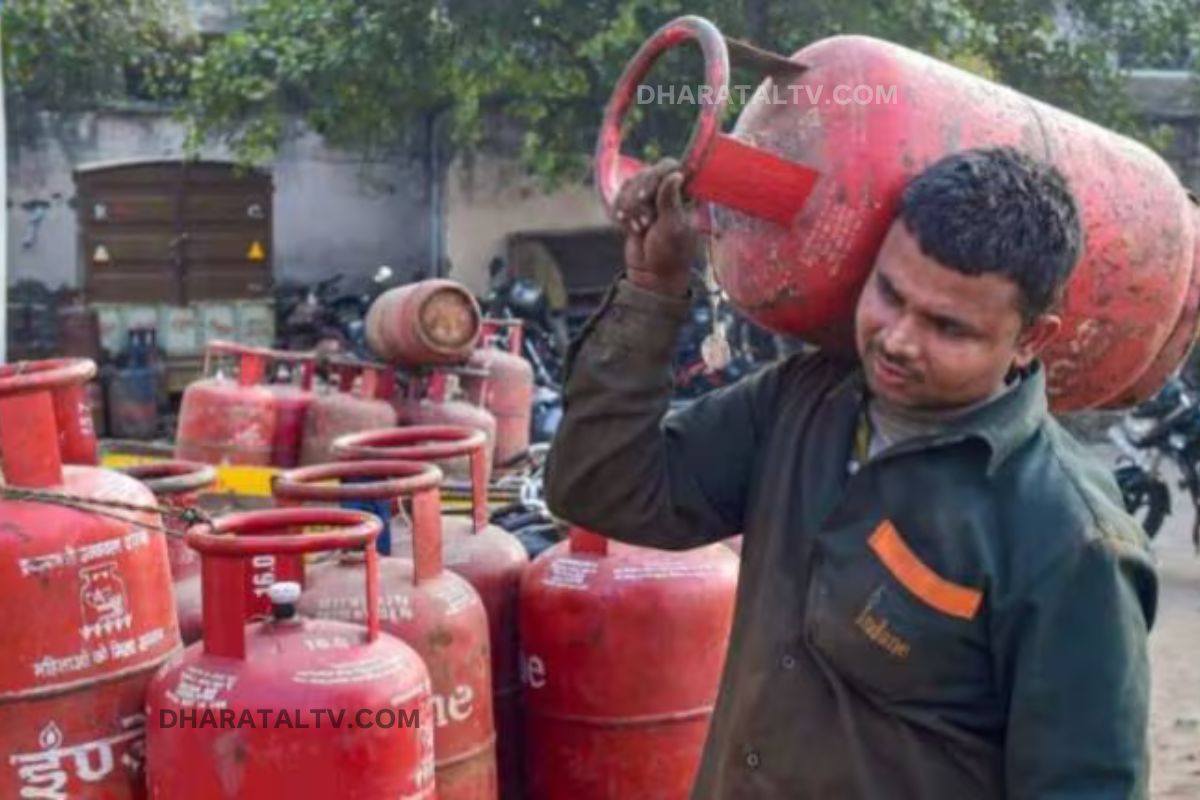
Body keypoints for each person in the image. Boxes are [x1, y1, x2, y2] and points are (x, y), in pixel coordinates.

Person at [544, 147, 1157, 799]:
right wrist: (651, 289)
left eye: (948, 328)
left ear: (1031, 338)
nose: (897, 339)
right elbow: (600, 489)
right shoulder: (804, 401)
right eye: (889, 293)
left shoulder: (1071, 542)